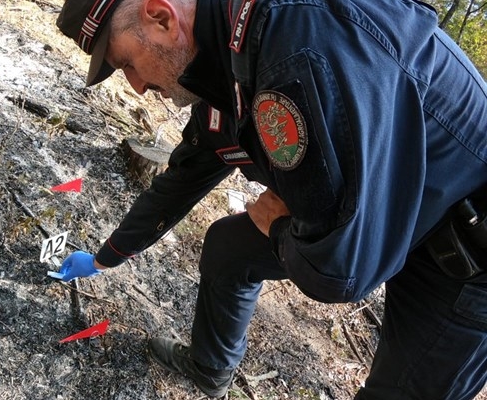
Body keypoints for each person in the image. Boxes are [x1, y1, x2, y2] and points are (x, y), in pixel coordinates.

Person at [52, 0, 487, 398]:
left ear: (161, 17)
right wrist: (107, 257)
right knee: (228, 249)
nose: (136, 87)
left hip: (464, 244)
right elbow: (182, 180)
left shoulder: (290, 52)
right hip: (380, 206)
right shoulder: (223, 61)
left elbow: (342, 272)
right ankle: (209, 368)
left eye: (126, 64)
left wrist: (277, 227)